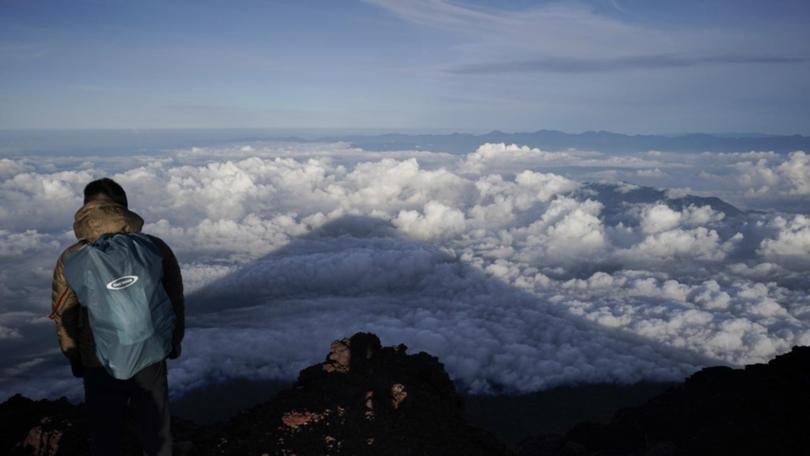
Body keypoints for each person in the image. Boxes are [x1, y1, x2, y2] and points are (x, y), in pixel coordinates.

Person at [50, 178, 185, 456]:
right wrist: (174, 341)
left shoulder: (73, 256)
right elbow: (174, 298)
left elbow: (65, 313)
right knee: (156, 428)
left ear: (86, 208)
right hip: (151, 347)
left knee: (105, 432)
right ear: (123, 207)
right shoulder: (153, 247)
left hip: (97, 355)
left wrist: (74, 355)